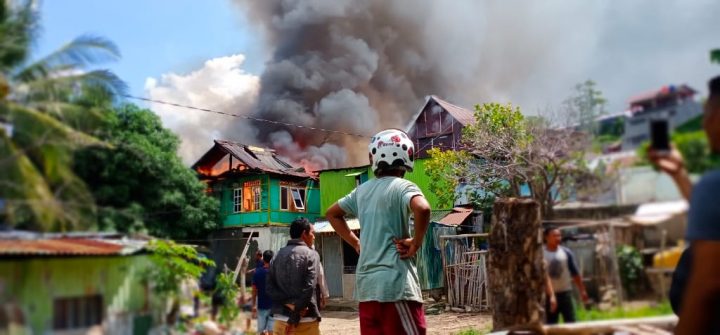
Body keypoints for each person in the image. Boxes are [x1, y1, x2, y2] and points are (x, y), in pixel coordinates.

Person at [326, 128, 431, 335]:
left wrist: (356, 242)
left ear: (373, 158)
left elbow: (332, 214)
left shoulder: (361, 190)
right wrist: (416, 243)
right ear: (406, 156)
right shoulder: (403, 186)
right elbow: (423, 208)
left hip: (367, 293)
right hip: (396, 289)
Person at [649, 75, 720, 334]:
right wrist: (680, 176)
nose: (705, 123)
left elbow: (706, 287)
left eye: (709, 113)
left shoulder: (713, 186)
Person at [267, 218, 321, 335]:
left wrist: (289, 304)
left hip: (280, 322)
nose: (314, 237)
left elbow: (269, 287)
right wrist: (296, 310)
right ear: (304, 234)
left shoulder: (276, 256)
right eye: (312, 233)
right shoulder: (311, 254)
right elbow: (310, 286)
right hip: (306, 324)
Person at [543, 226, 589, 324]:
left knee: (571, 324)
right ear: (546, 237)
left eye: (559, 235)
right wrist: (551, 296)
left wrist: (582, 290)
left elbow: (575, 273)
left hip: (565, 294)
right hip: (548, 297)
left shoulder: (566, 252)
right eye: (554, 236)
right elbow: (544, 276)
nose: (558, 238)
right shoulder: (542, 254)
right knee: (551, 325)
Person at [252, 250, 274, 335]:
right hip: (273, 306)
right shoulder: (275, 273)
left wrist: (253, 304)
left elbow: (254, 290)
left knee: (261, 331)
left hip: (261, 305)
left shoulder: (257, 272)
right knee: (271, 330)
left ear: (263, 259)